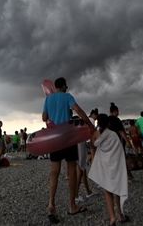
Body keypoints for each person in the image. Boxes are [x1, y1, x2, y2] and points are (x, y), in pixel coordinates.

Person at [42, 77, 95, 222]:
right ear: (63, 86)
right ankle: (72, 205)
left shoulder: (48, 99)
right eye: (66, 85)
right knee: (71, 168)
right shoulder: (67, 97)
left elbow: (44, 117)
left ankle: (51, 203)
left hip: (54, 137)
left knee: (54, 171)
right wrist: (90, 125)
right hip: (66, 135)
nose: (67, 86)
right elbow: (77, 110)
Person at [89, 113, 129, 226]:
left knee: (108, 190)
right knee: (117, 189)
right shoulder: (113, 135)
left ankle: (112, 218)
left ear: (98, 124)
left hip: (104, 167)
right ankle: (120, 215)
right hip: (115, 166)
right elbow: (119, 151)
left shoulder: (96, 135)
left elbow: (93, 145)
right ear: (109, 123)